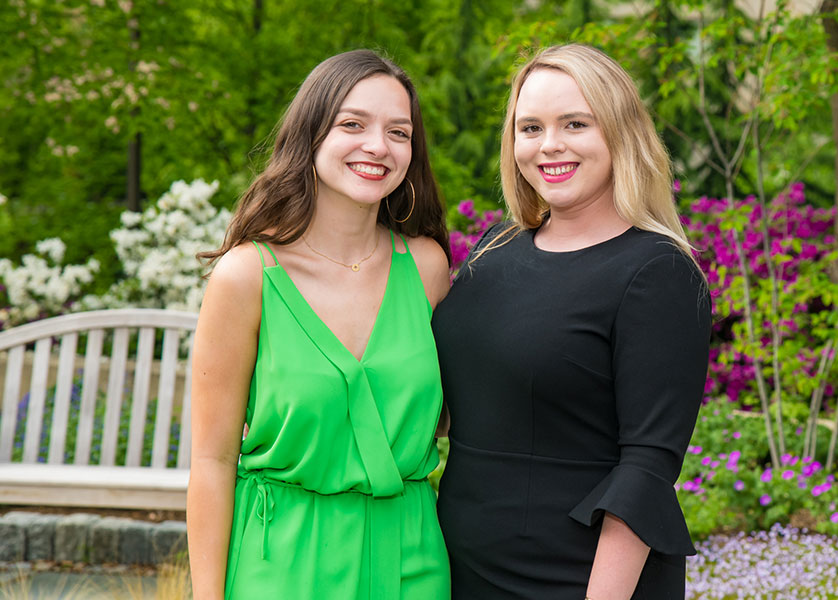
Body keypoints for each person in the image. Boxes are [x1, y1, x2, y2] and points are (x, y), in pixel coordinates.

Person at [432, 43, 711, 600]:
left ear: (620, 133)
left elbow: (646, 470)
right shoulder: (495, 248)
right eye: (530, 127)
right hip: (458, 566)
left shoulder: (659, 272)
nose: (549, 145)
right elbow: (449, 404)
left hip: (573, 579)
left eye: (575, 123)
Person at [186, 49, 452, 600]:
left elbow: (454, 419)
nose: (377, 146)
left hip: (413, 559)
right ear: (310, 135)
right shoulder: (246, 277)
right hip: (282, 562)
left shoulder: (427, 267)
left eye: (398, 132)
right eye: (352, 124)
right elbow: (211, 462)